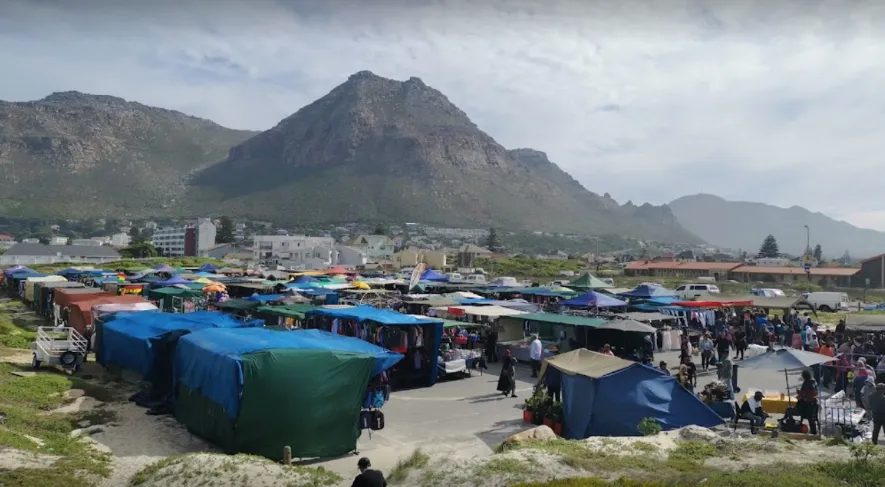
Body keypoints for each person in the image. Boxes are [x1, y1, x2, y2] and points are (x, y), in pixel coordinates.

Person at [795, 370, 818, 435]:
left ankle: (813, 432)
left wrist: (800, 393)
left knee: (810, 418)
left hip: (809, 403)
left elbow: (807, 393)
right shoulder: (813, 382)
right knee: (811, 418)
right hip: (812, 402)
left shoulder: (808, 383)